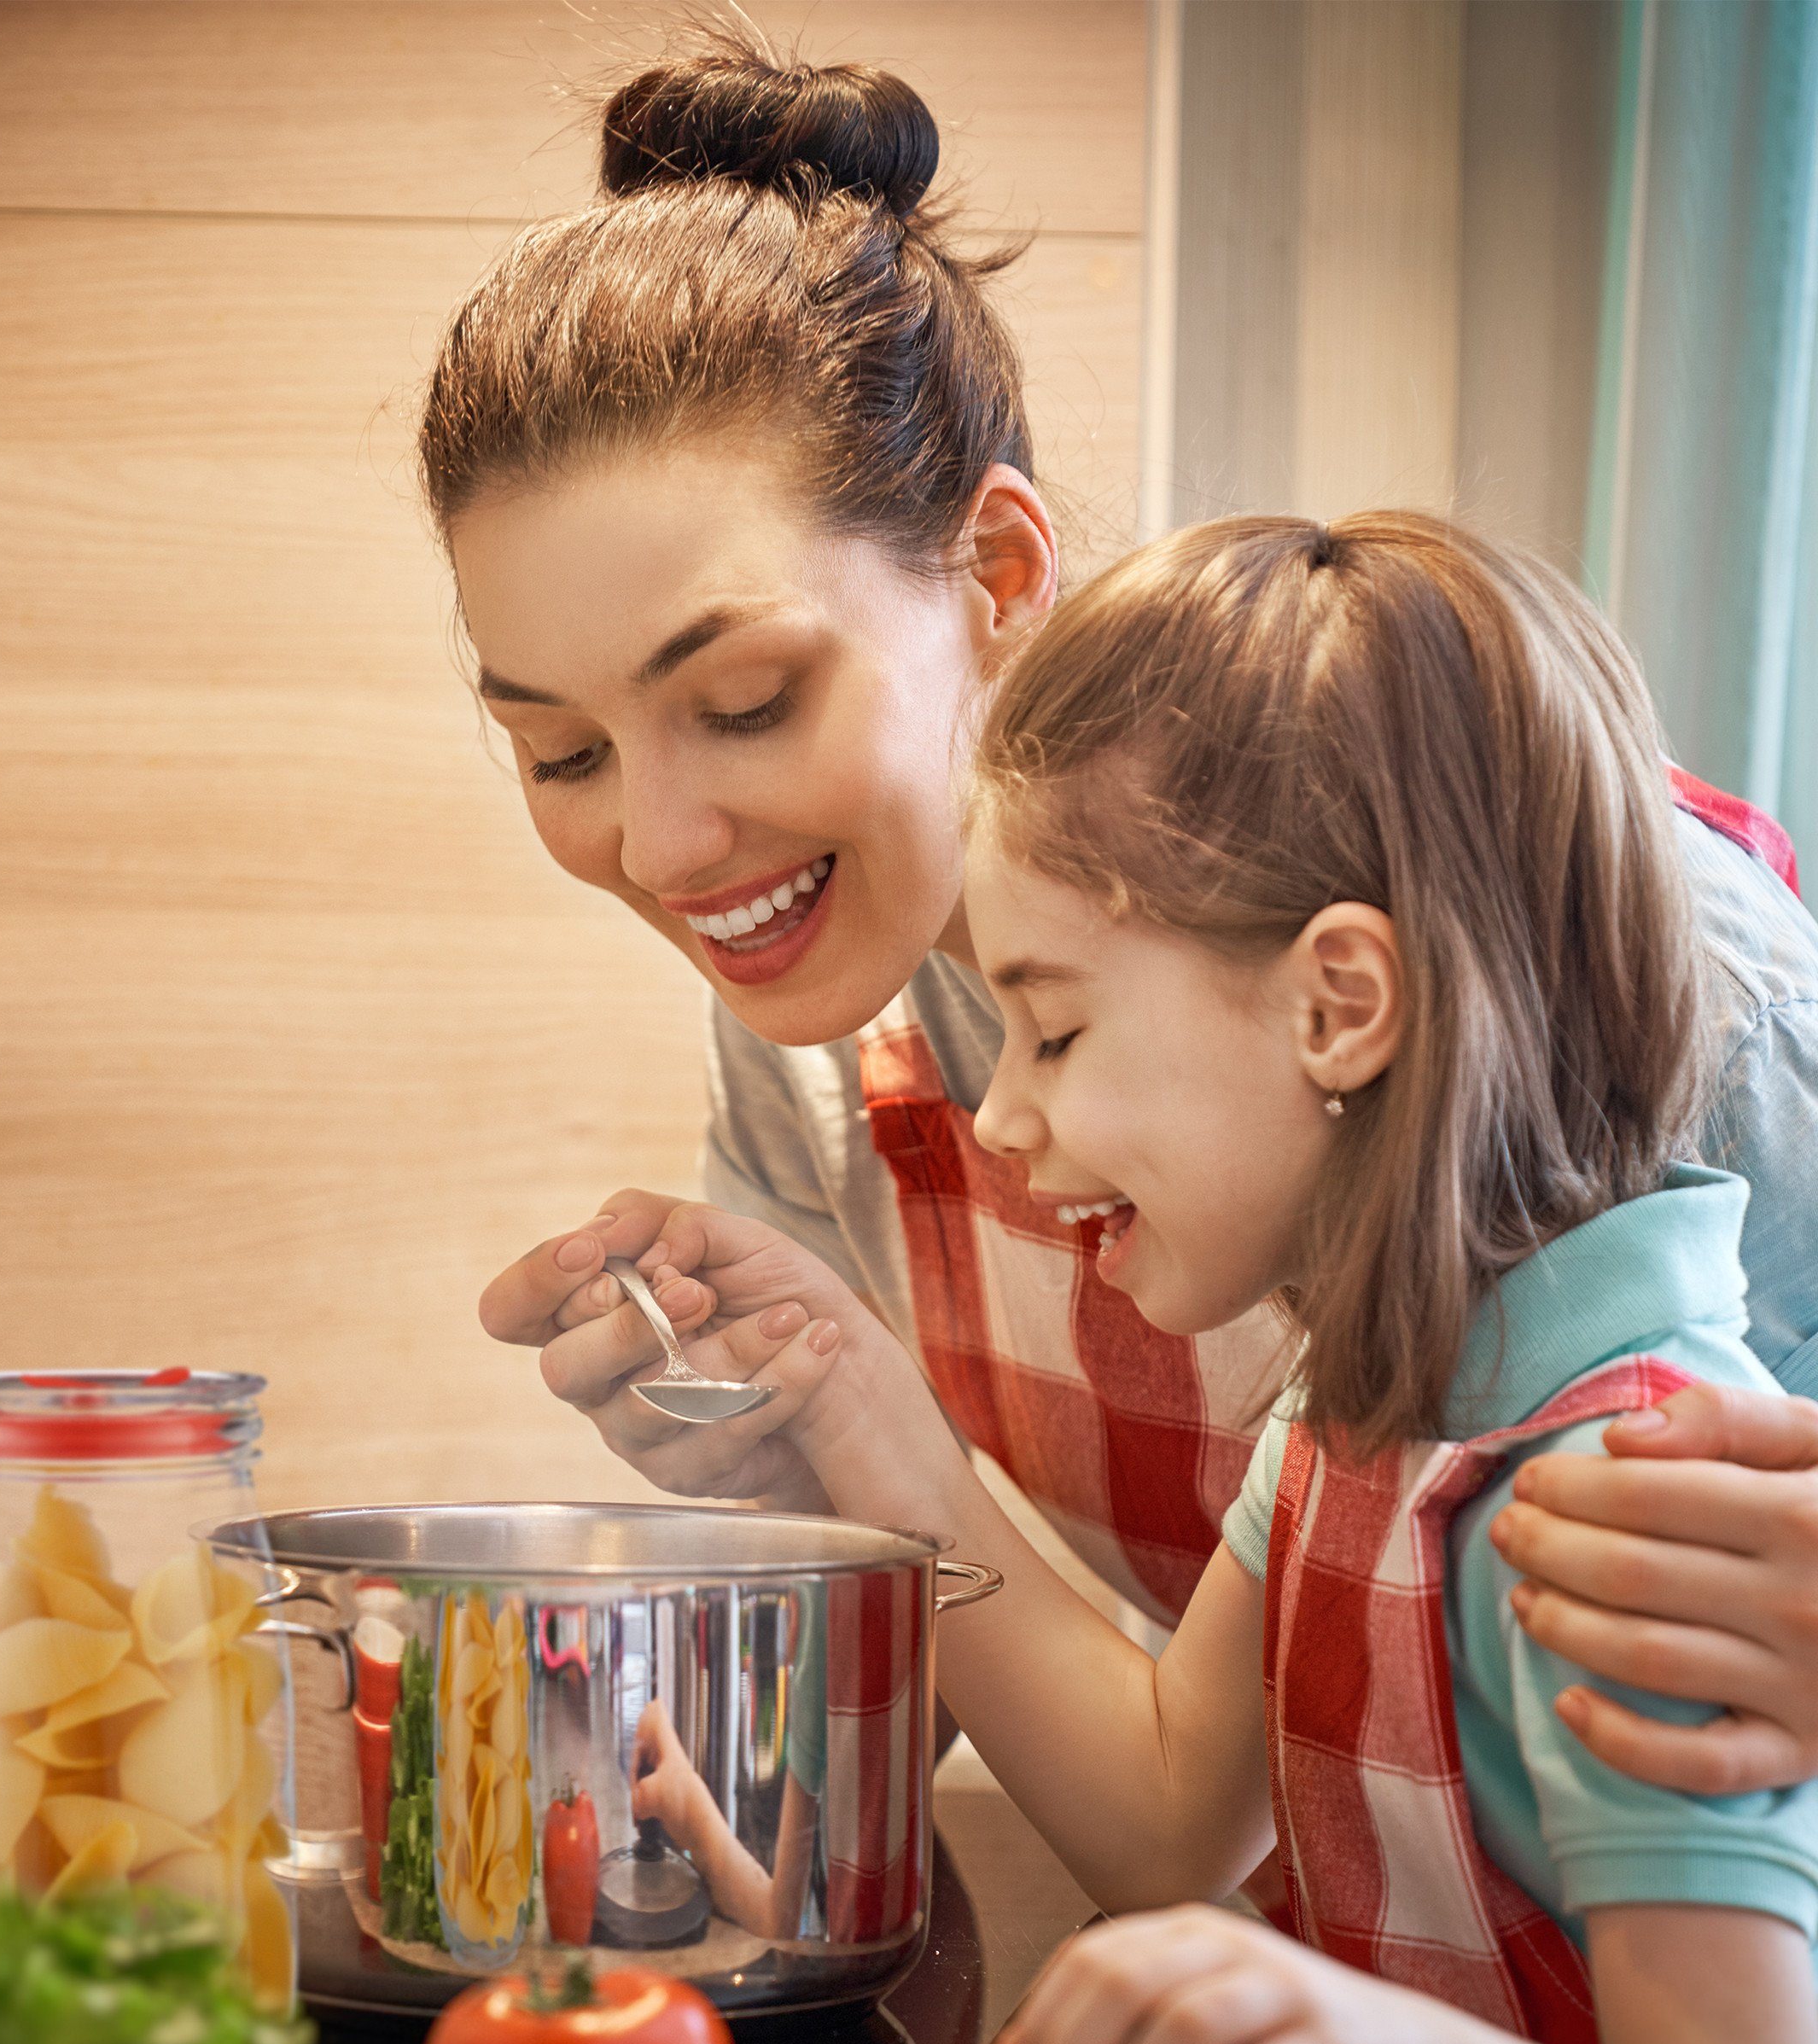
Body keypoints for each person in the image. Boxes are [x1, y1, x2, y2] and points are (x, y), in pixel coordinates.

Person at [425, 34, 1818, 1798]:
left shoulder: (1647, 966)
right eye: (557, 750)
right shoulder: (807, 1051)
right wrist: (814, 1477)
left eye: (750, 697)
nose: (663, 840)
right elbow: (1163, 1785)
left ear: (997, 576)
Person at [568, 513, 1818, 2044]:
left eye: (1058, 1026)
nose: (1001, 1111)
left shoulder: (1623, 1496)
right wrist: (850, 1391)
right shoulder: (1374, 1392)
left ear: (1336, 1005)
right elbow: (1166, 1812)